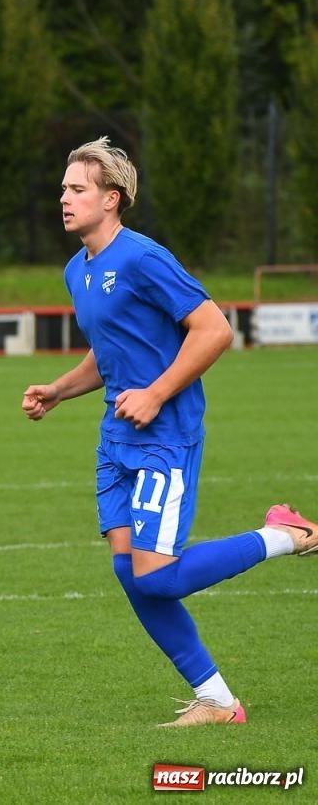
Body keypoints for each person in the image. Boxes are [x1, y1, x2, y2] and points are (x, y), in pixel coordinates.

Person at [21, 137, 316, 726]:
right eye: (62, 189)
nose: (64, 199)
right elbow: (110, 352)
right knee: (128, 572)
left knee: (157, 577)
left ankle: (287, 535)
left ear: (112, 199)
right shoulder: (78, 270)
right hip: (116, 439)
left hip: (165, 435)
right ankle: (218, 701)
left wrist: (156, 394)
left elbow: (214, 330)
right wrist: (58, 390)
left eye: (77, 189)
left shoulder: (143, 258)